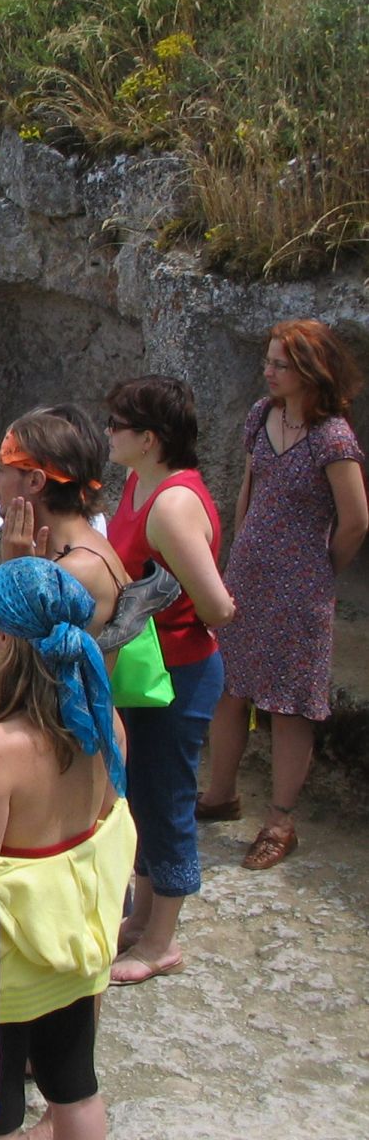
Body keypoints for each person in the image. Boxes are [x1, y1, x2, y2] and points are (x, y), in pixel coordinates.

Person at [0, 557, 134, 1140]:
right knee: (75, 1084)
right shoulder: (106, 721)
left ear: (3, 638)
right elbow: (107, 822)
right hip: (79, 942)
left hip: (14, 962)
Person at [200, 321, 367, 870]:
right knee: (231, 688)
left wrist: (319, 571)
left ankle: (280, 822)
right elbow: (250, 489)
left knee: (290, 705)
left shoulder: (333, 437)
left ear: (310, 372)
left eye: (278, 364)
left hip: (301, 592)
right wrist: (237, 556)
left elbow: (356, 521)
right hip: (248, 577)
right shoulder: (260, 416)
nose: (266, 371)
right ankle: (220, 794)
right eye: (268, 361)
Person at [102, 375, 235, 985]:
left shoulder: (172, 503)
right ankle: (146, 917)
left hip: (177, 674)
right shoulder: (140, 481)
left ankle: (161, 941)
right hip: (151, 672)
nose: (107, 432)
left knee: (168, 798)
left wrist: (151, 607)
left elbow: (219, 607)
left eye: (117, 424)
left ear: (148, 439)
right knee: (145, 795)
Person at [0, 408, 128, 637]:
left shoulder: (77, 570)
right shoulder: (74, 551)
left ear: (35, 481)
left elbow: (13, 663)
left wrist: (15, 571)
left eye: (2, 470)